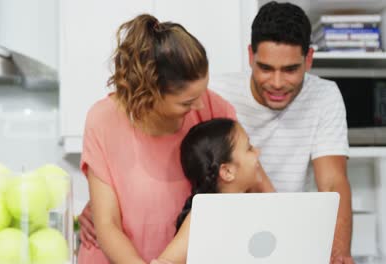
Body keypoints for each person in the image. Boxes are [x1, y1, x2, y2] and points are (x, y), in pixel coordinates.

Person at [78, 13, 274, 264]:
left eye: (203, 92)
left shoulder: (213, 107)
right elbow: (107, 224)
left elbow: (258, 185)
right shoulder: (103, 120)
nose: (201, 105)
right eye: (187, 102)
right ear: (148, 93)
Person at [209, 2, 353, 263]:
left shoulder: (325, 95)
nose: (276, 83)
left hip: (293, 235)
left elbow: (332, 183)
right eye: (265, 68)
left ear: (308, 59)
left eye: (290, 70)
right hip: (227, 234)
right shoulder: (218, 93)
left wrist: (339, 253)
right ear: (250, 56)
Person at [150, 118, 263, 264]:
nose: (258, 152)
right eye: (249, 148)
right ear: (227, 171)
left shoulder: (254, 205)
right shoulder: (206, 214)